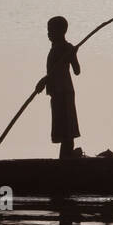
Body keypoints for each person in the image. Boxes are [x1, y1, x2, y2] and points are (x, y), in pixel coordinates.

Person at [35, 15, 82, 159]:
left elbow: (77, 71)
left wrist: (73, 54)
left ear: (61, 31)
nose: (48, 33)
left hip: (64, 91)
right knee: (60, 126)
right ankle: (65, 157)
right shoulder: (55, 48)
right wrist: (44, 81)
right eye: (48, 30)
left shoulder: (67, 48)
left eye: (51, 30)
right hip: (56, 92)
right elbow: (52, 73)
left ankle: (66, 158)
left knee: (67, 126)